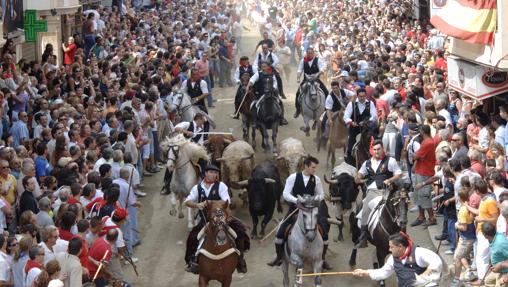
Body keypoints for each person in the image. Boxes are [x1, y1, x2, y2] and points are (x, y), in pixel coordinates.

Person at [183, 164, 248, 274]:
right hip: (205, 219)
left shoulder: (221, 186)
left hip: (221, 218)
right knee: (193, 237)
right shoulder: (197, 187)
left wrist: (210, 204)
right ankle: (192, 261)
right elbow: (187, 201)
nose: (214, 174)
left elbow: (227, 201)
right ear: (206, 173)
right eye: (211, 172)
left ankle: (240, 259)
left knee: (240, 231)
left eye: (216, 173)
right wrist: (197, 205)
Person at [267, 156, 325, 267]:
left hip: (311, 210)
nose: (314, 170)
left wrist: (313, 200)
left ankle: (323, 258)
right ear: (306, 166)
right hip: (295, 209)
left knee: (324, 232)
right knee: (280, 233)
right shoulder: (293, 177)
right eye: (313, 167)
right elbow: (285, 194)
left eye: (315, 168)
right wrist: (296, 200)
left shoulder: (316, 179)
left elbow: (321, 194)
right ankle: (279, 257)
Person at [354, 140, 403, 248]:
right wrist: (358, 177)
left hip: (388, 191)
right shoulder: (367, 163)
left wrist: (390, 180)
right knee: (365, 209)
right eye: (374, 149)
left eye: (378, 149)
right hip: (372, 192)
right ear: (372, 150)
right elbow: (360, 174)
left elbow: (399, 174)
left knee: (400, 209)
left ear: (383, 149)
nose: (377, 152)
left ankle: (404, 235)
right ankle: (363, 237)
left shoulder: (390, 161)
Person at [353, 232, 442, 286]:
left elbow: (436, 261)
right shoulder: (392, 259)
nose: (389, 250)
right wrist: (366, 272)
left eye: (391, 247)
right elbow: (383, 272)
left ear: (400, 247)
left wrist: (424, 275)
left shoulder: (418, 252)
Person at [244, 61, 288, 125]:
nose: (263, 68)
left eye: (265, 66)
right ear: (260, 67)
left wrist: (274, 87)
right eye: (262, 67)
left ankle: (281, 118)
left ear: (268, 67)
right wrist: (248, 86)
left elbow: (275, 82)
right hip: (260, 94)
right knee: (253, 105)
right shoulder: (258, 74)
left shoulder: (271, 74)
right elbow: (252, 80)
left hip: (271, 94)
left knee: (280, 102)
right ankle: (255, 120)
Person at [343, 88, 378, 164]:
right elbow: (346, 116)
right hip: (355, 128)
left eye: (363, 96)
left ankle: (377, 159)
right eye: (360, 96)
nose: (362, 98)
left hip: (366, 128)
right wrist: (351, 122)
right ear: (357, 96)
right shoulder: (351, 104)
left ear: (365, 95)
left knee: (376, 142)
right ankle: (349, 161)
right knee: (350, 145)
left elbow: (374, 116)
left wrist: (367, 121)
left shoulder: (370, 103)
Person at [412, 125, 437, 227]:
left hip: (425, 172)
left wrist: (415, 157)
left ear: (422, 131)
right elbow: (418, 157)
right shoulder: (426, 141)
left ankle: (431, 218)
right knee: (418, 195)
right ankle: (421, 216)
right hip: (420, 170)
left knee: (424, 195)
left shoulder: (427, 143)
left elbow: (415, 156)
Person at [294, 47, 329, 119]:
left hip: (316, 80)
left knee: (326, 92)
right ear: (306, 53)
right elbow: (299, 70)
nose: (309, 54)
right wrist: (298, 77)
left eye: (311, 53)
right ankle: (298, 110)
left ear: (313, 53)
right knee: (298, 93)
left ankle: (326, 109)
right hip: (306, 80)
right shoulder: (303, 60)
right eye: (308, 53)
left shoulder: (318, 60)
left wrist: (319, 73)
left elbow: (323, 67)